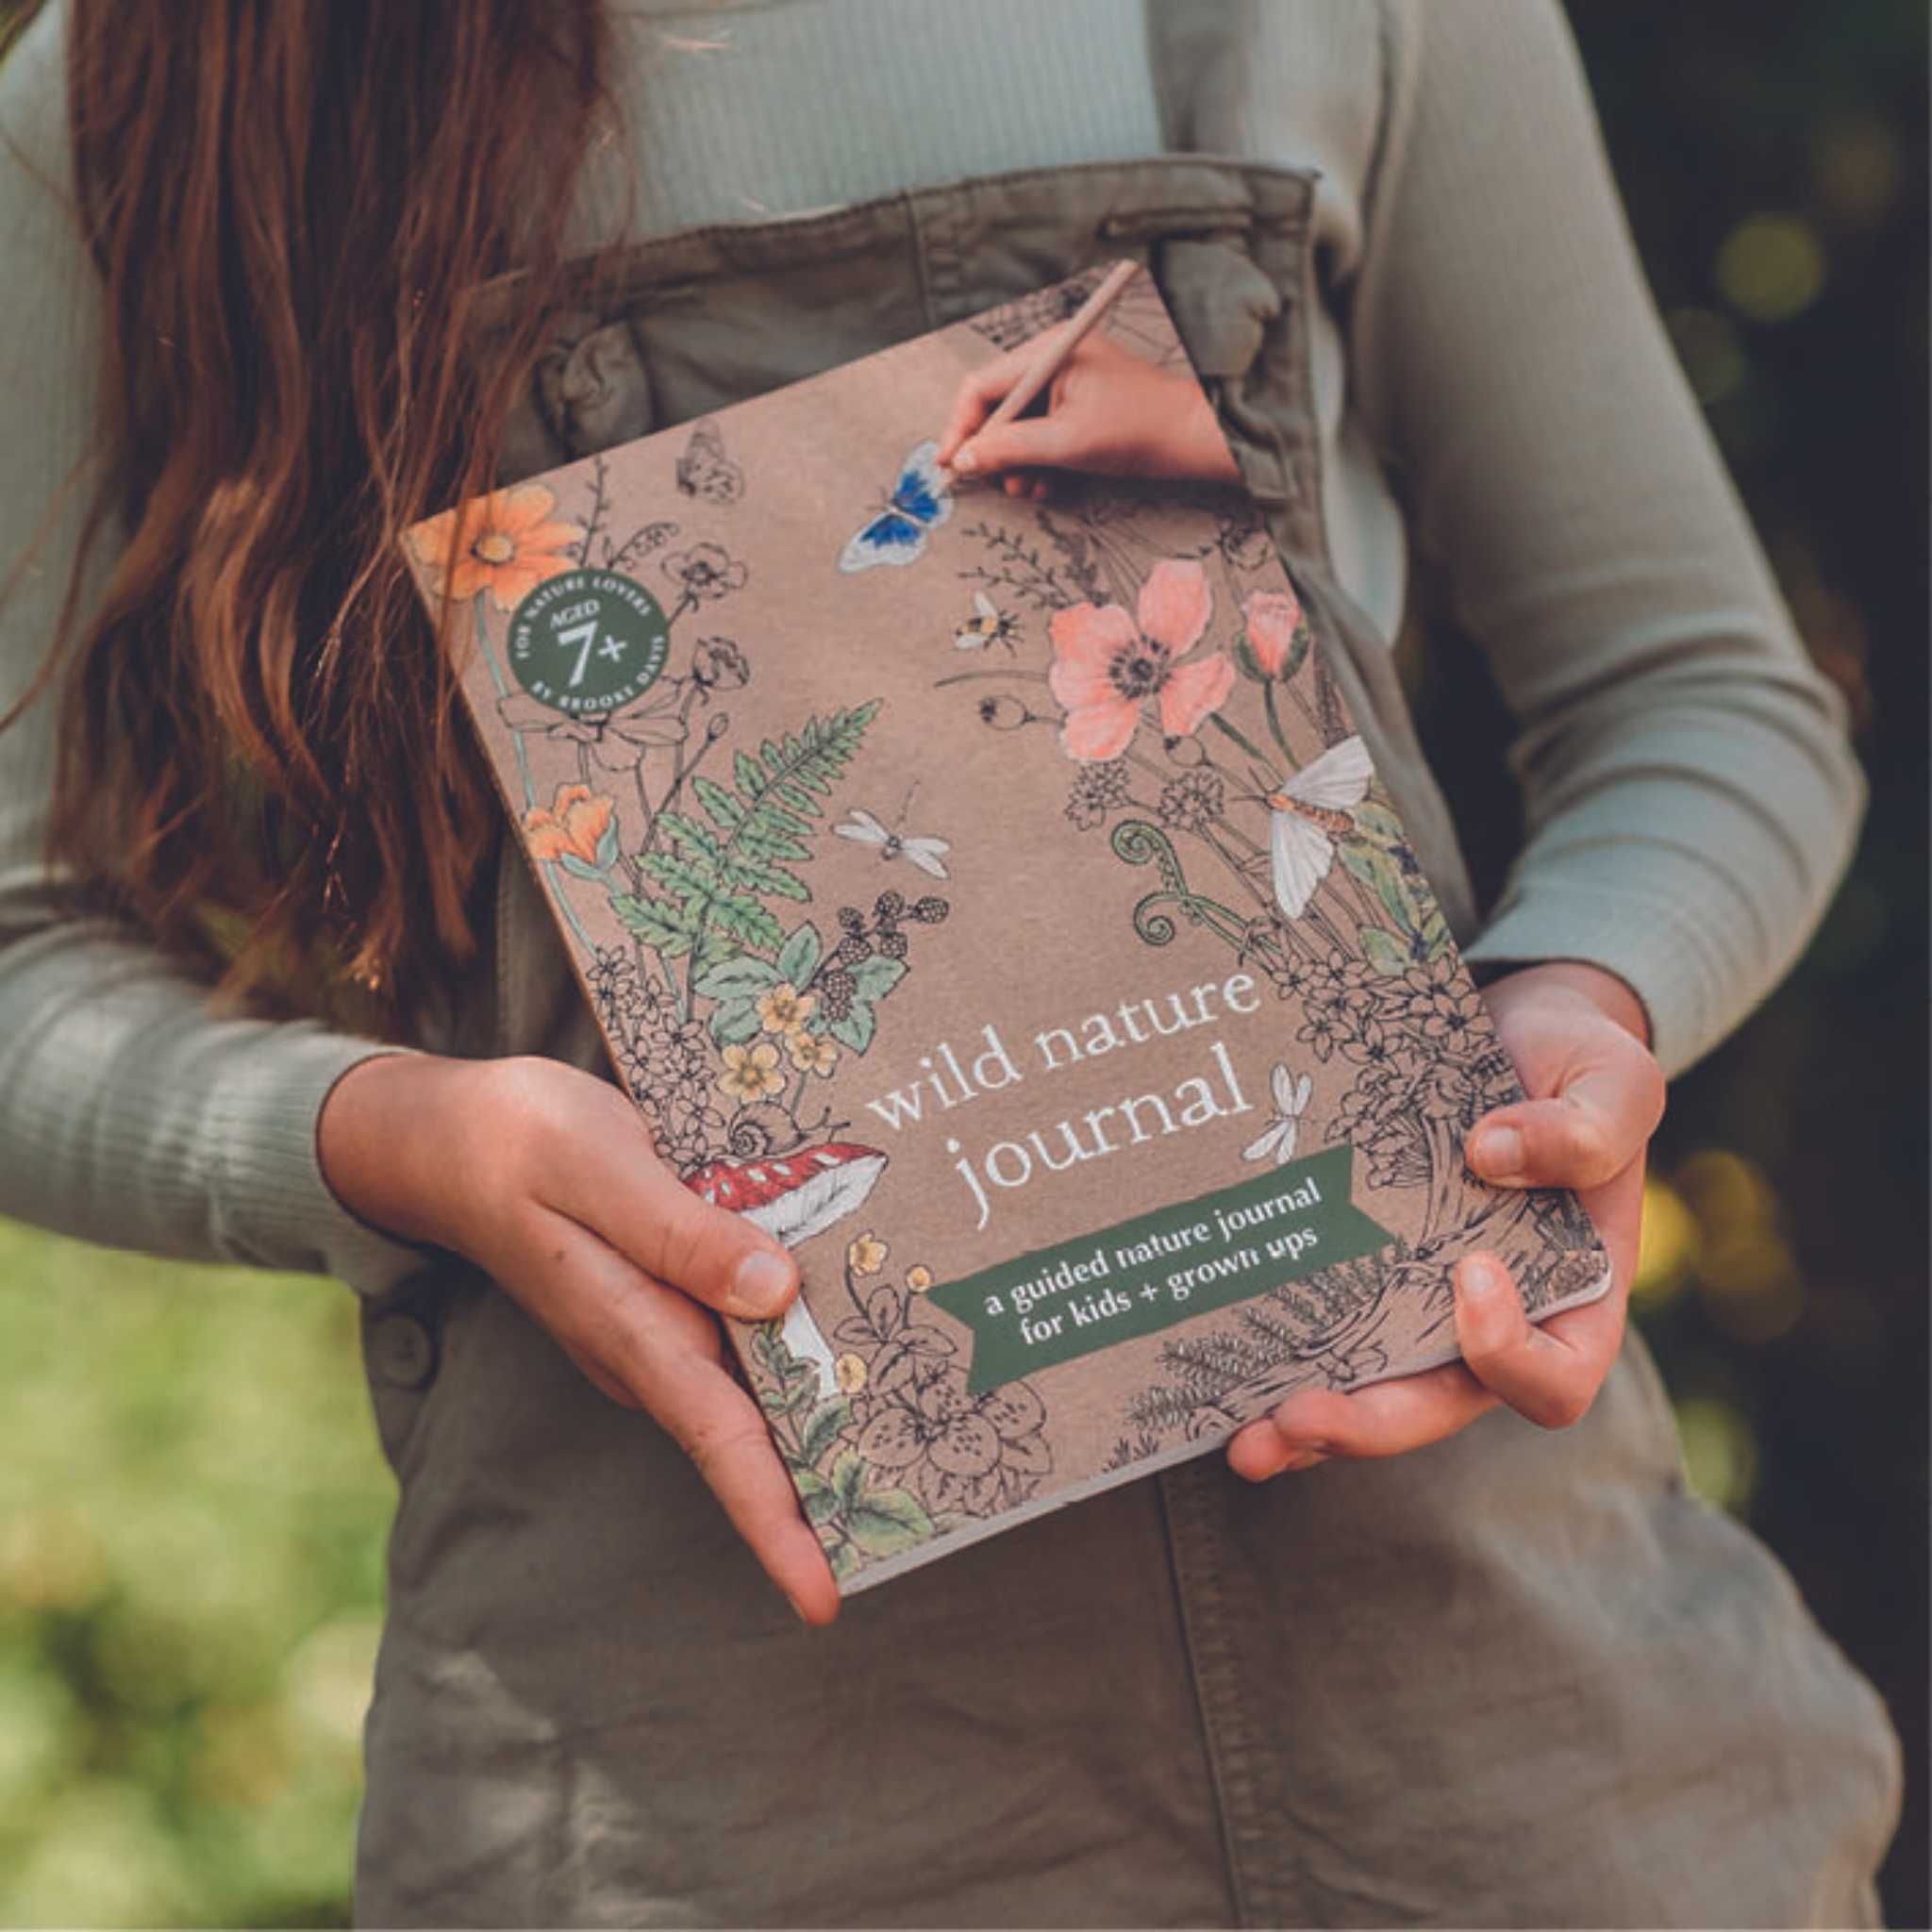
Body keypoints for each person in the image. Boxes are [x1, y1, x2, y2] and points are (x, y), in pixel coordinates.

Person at [0, 1, 1903, 1924]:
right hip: (707, 1800)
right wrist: (391, 1138)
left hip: (1510, 1742)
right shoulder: (146, 90)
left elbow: (1697, 696)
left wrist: (1580, 1000)